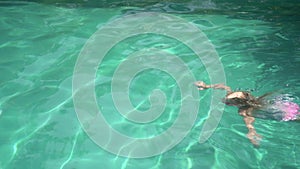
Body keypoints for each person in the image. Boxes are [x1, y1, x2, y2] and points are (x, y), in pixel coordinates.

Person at [194, 81, 300, 146]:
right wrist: (207, 86)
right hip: (287, 104)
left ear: (233, 105)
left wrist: (251, 132)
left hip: (283, 114)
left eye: (227, 101)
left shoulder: (244, 111)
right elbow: (224, 86)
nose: (225, 98)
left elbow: (249, 122)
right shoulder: (252, 99)